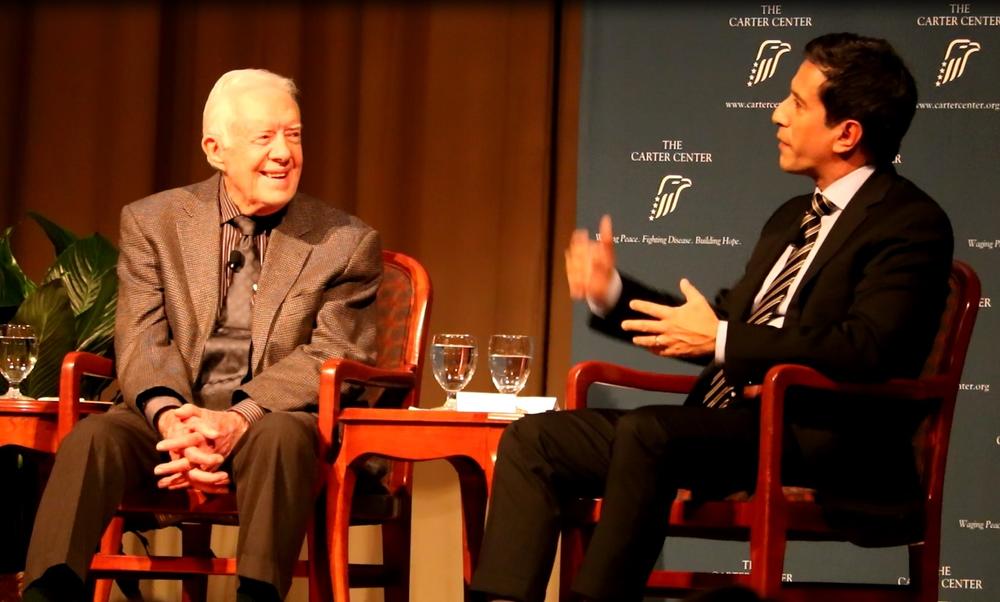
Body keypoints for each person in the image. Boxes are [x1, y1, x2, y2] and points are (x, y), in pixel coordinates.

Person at [470, 33, 953, 602]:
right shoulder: (792, 217)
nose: (777, 114)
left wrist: (723, 338)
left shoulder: (909, 222)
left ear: (847, 132)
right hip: (725, 426)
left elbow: (867, 348)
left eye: (797, 104)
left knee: (652, 433)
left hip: (819, 438)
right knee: (536, 440)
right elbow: (722, 322)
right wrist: (613, 294)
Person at [22, 69, 382, 602]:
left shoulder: (343, 242)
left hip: (270, 421)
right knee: (92, 438)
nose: (284, 153)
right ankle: (48, 592)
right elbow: (142, 336)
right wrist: (173, 419)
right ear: (216, 149)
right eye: (265, 137)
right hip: (169, 419)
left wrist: (238, 417)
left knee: (281, 437)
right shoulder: (154, 221)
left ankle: (256, 594)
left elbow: (334, 352)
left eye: (295, 135)